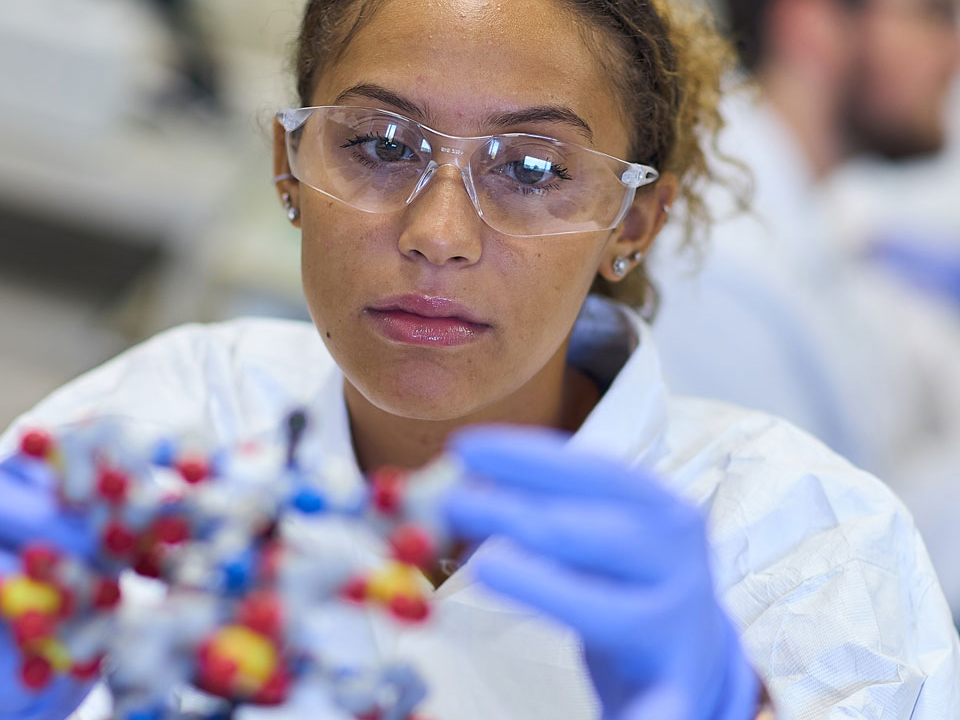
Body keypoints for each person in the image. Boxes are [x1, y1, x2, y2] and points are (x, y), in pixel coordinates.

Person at [1, 0, 958, 719]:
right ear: (291, 171)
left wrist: (735, 707)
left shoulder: (796, 543)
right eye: (378, 145)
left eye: (533, 169)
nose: (438, 233)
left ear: (633, 222)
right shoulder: (159, 426)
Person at [649, 0, 960, 615]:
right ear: (811, 24)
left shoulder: (811, 222)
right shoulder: (717, 258)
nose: (953, 54)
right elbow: (809, 578)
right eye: (933, 16)